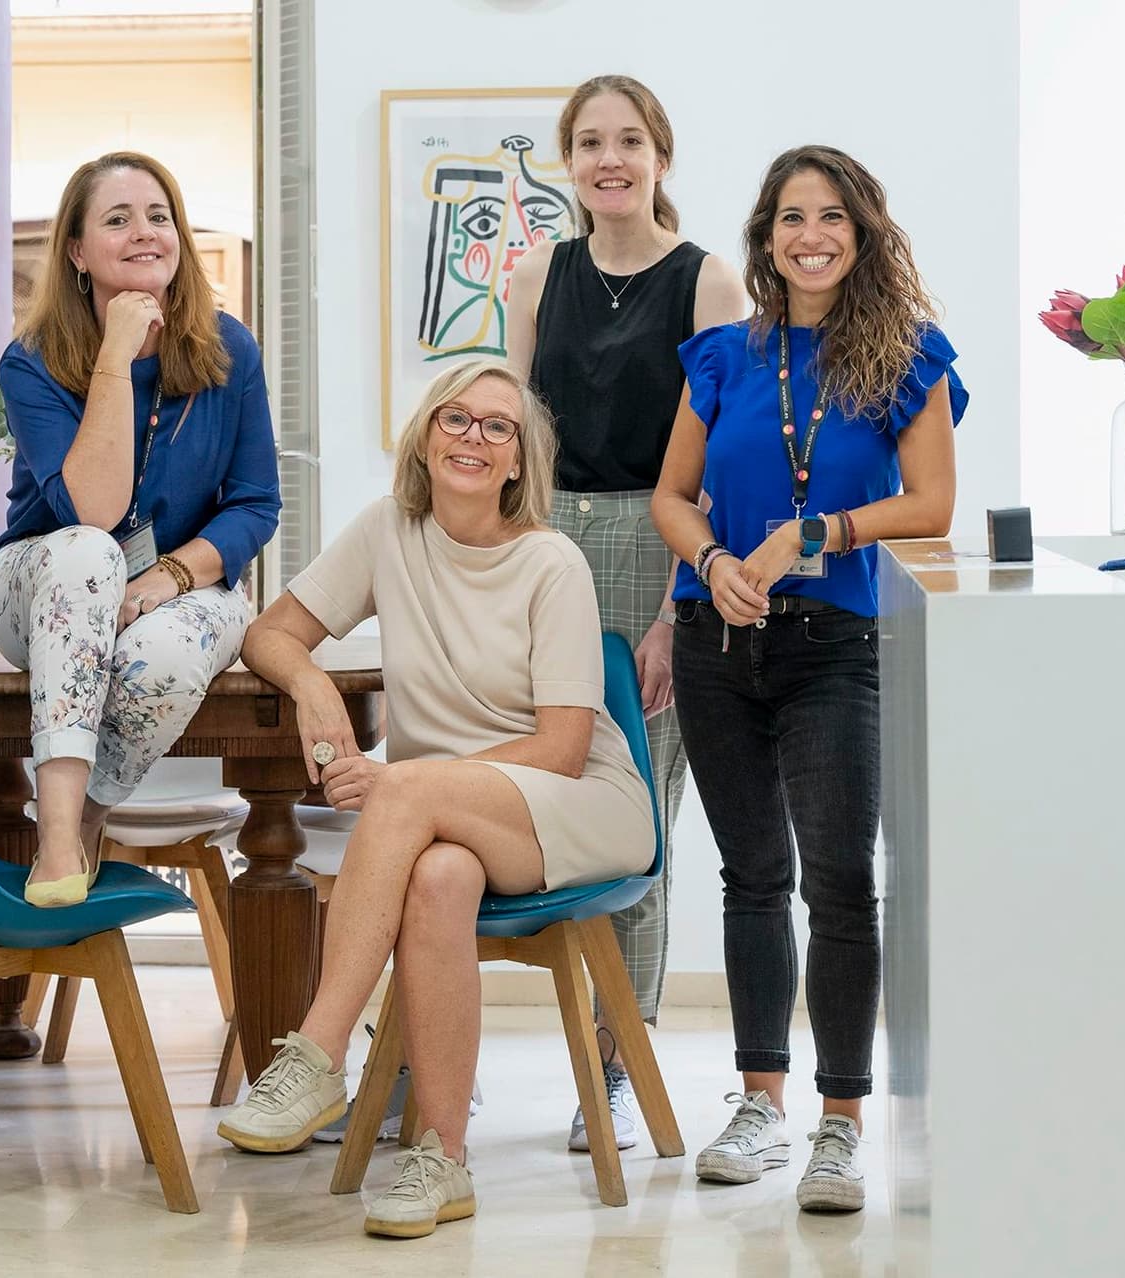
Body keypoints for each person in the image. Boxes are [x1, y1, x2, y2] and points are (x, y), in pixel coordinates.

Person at [217, 360, 656, 1240]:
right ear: (425, 437)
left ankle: (317, 1052)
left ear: (519, 462)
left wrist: (403, 784)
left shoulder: (551, 562)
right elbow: (270, 633)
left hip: (581, 805)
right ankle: (443, 1159)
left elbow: (563, 749)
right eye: (455, 418)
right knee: (440, 878)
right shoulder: (389, 531)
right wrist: (313, 688)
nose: (472, 438)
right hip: (446, 822)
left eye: (497, 427)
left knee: (409, 795)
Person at [650, 144, 966, 1212]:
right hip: (718, 641)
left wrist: (815, 532)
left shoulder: (908, 356)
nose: (811, 235)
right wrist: (712, 562)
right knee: (752, 878)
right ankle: (759, 1106)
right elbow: (672, 497)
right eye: (792, 216)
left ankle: (840, 1122)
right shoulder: (722, 356)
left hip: (836, 646)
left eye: (832, 215)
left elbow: (931, 505)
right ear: (767, 236)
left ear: (862, 232)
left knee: (836, 882)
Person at [502, 73, 748, 1152]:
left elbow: (720, 468)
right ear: (570, 161)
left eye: (630, 141)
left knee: (637, 815)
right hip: (546, 549)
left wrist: (675, 609)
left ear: (661, 157)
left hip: (661, 545)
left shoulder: (708, 282)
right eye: (591, 142)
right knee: (537, 800)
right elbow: (513, 440)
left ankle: (615, 1061)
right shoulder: (536, 275)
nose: (610, 160)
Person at [0, 151, 279, 906]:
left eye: (159, 216)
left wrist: (167, 577)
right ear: (78, 252)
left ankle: (86, 814)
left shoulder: (230, 350)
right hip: (44, 587)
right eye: (118, 219)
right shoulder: (32, 362)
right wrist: (114, 355)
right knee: (88, 552)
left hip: (185, 584)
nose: (145, 232)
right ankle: (56, 837)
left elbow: (255, 504)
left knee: (167, 657)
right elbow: (93, 511)